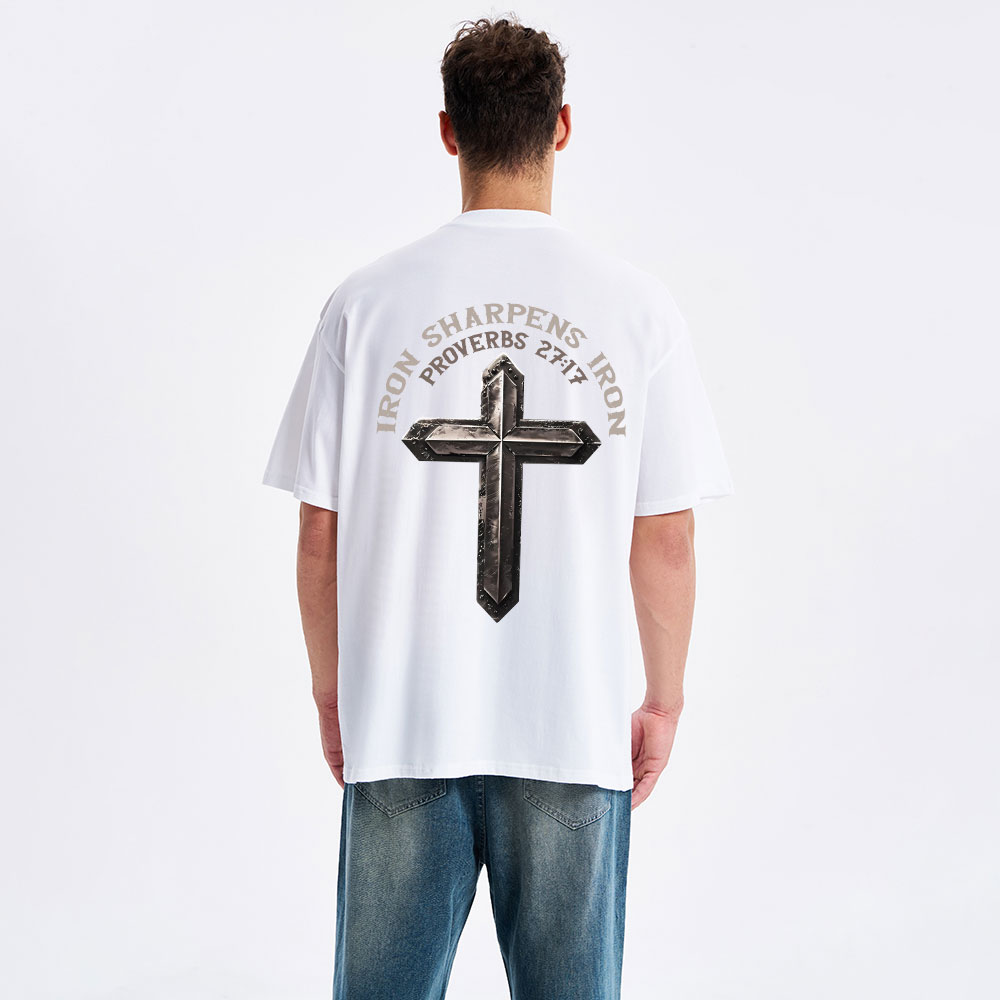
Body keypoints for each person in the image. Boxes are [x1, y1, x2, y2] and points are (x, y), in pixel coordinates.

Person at [262, 15, 733, 1000]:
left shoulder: (365, 303)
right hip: (570, 725)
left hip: (404, 720)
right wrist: (663, 698)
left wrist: (332, 689)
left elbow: (319, 532)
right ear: (561, 126)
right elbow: (667, 537)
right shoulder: (637, 309)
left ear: (448, 131)